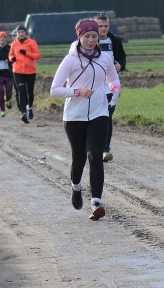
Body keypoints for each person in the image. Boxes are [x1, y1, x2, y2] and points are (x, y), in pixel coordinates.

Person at [50, 19, 121, 221]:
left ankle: (96, 202)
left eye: (94, 36)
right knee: (79, 158)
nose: (91, 40)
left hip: (99, 113)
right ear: (79, 37)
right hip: (74, 116)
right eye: (87, 36)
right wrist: (77, 91)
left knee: (95, 155)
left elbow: (113, 78)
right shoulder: (70, 60)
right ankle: (76, 187)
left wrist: (115, 88)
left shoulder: (104, 58)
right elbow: (54, 89)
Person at [94, 14, 126, 162]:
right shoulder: (89, 41)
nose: (103, 29)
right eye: (100, 26)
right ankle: (92, 146)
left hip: (111, 85)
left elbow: (123, 58)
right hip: (93, 85)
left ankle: (105, 149)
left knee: (107, 116)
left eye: (106, 26)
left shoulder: (115, 41)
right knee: (95, 117)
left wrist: (121, 66)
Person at [9, 24, 40, 123]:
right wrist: (12, 59)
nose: (21, 34)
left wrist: (26, 53)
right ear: (17, 34)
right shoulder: (14, 44)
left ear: (25, 33)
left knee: (30, 92)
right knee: (21, 91)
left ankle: (30, 107)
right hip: (18, 71)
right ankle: (24, 113)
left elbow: (37, 56)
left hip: (30, 71)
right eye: (19, 32)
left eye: (22, 32)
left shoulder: (32, 42)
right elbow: (10, 54)